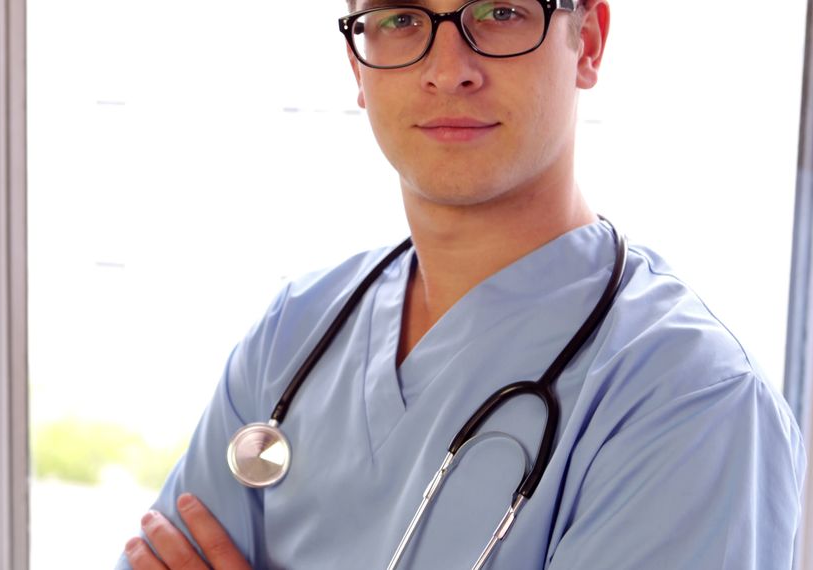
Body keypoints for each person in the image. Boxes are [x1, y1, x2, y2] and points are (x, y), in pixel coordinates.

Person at [119, 0, 807, 567]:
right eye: (400, 19)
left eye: (500, 12)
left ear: (588, 41)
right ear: (358, 65)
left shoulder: (690, 400)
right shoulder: (293, 333)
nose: (448, 70)